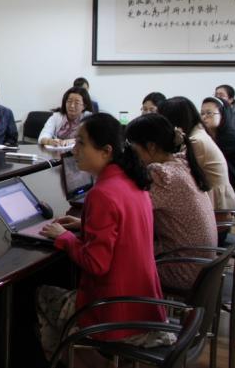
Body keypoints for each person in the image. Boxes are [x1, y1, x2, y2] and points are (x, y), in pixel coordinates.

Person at [36, 113, 174, 360]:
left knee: (40, 294)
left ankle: (75, 360)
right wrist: (84, 224)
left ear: (106, 151)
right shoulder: (134, 180)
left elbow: (96, 264)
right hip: (146, 307)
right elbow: (124, 229)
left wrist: (66, 237)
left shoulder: (102, 193)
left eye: (81, 143)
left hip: (114, 316)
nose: (74, 150)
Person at [124, 113, 217, 290]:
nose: (130, 153)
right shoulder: (181, 164)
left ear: (151, 147)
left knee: (115, 261)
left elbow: (128, 213)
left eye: (132, 146)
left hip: (183, 270)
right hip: (202, 266)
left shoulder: (161, 175)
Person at [157, 96, 235, 217]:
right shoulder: (197, 132)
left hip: (215, 208)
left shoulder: (196, 140)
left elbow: (177, 174)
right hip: (210, 201)